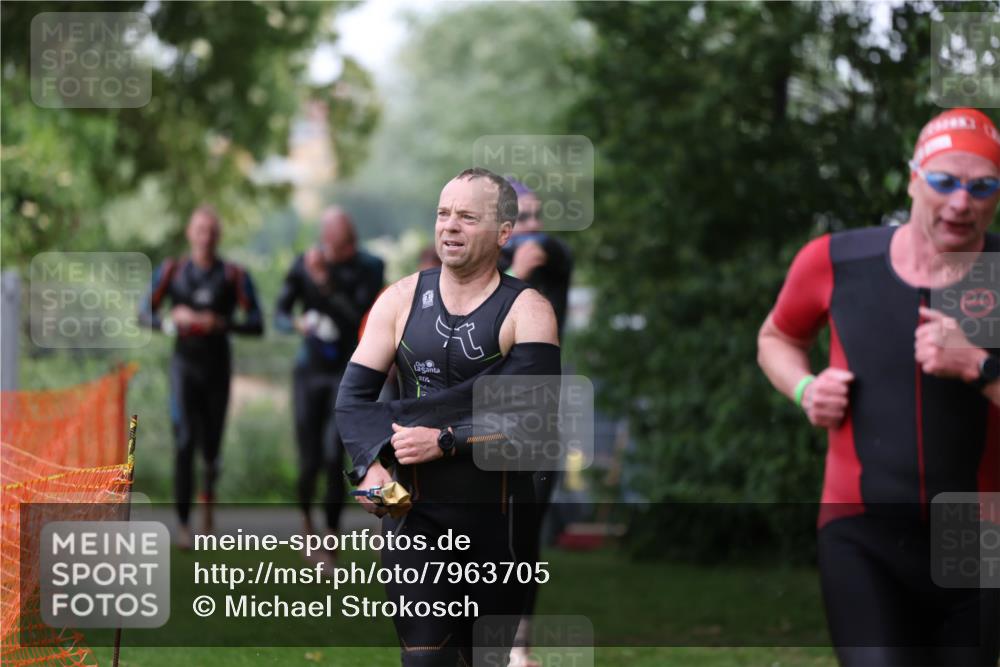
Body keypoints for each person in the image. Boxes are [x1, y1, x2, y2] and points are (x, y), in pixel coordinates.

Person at [757, 107, 1000, 666]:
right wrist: (804, 390)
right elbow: (776, 337)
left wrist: (979, 366)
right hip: (861, 529)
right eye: (944, 182)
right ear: (914, 177)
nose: (961, 203)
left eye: (982, 186)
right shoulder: (840, 260)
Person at [336, 168, 561, 666]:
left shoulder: (528, 310)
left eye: (466, 216)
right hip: (415, 514)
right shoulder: (398, 300)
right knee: (425, 660)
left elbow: (534, 419)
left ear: (504, 233)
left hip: (498, 522)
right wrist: (370, 470)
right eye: (443, 214)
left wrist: (445, 439)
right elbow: (352, 402)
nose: (450, 226)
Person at [140, 205, 264, 549]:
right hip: (184, 366)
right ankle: (182, 525)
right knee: (183, 443)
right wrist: (169, 320)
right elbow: (142, 312)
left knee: (210, 447)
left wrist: (221, 323)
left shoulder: (233, 275)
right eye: (199, 230)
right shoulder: (172, 270)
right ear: (189, 233)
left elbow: (256, 322)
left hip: (217, 368)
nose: (205, 237)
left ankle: (207, 499)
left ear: (218, 236)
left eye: (211, 230)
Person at [275, 207, 384, 549]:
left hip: (347, 370)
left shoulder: (370, 267)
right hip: (309, 371)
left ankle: (332, 538)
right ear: (325, 241)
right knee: (308, 458)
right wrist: (298, 323)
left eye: (346, 245)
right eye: (335, 246)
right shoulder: (304, 263)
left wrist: (324, 282)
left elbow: (358, 319)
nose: (341, 252)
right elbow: (278, 314)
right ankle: (307, 526)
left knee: (333, 453)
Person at [498, 180, 574, 667]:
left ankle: (519, 647)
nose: (534, 230)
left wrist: (521, 273)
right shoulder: (476, 280)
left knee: (525, 538)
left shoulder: (554, 266)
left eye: (537, 217)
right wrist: (509, 272)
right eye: (521, 219)